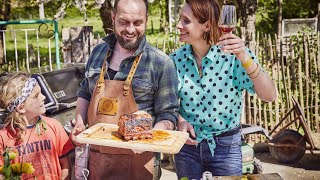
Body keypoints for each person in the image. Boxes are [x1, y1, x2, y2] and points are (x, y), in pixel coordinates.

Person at [70, 0, 179, 179]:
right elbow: (85, 92)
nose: (130, 30)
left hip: (139, 161)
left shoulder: (161, 63)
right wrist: (80, 122)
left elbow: (168, 114)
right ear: (113, 18)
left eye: (137, 23)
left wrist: (149, 141)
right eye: (124, 22)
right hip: (98, 158)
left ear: (146, 19)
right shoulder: (98, 52)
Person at [170, 0, 277, 179]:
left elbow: (269, 95)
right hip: (187, 147)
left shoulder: (233, 57)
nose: (178, 25)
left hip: (226, 147)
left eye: (186, 20)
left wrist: (244, 57)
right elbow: (167, 104)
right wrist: (180, 120)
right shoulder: (175, 60)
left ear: (207, 25)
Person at [0, 72, 74, 180]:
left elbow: (65, 165)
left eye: (41, 93)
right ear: (21, 107)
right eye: (36, 96)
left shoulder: (54, 126)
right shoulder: (4, 137)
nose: (43, 97)